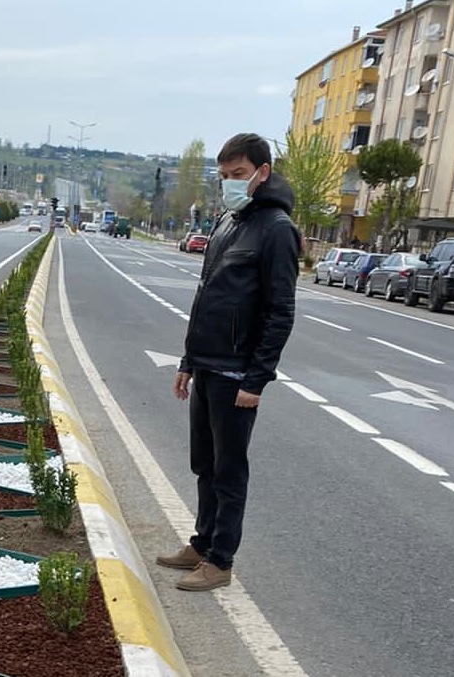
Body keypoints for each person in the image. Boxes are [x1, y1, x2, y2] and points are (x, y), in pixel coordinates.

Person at [157, 133, 301, 592]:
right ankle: (201, 544)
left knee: (229, 469)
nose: (229, 184)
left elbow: (280, 311)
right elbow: (206, 298)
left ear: (263, 171)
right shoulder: (227, 222)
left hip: (238, 371)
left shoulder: (277, 229)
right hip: (208, 364)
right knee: (204, 463)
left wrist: (257, 378)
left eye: (238, 175)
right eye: (224, 176)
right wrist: (188, 360)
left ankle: (221, 560)